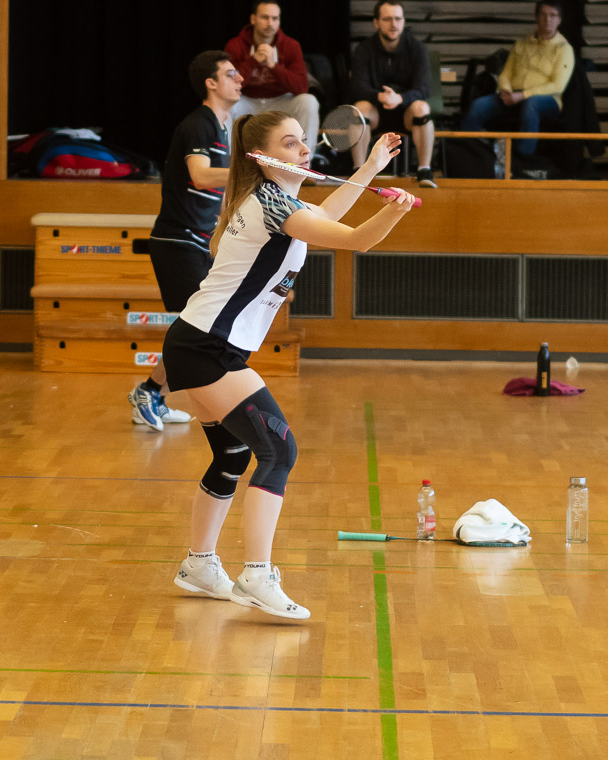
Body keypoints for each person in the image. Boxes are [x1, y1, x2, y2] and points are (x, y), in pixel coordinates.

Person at [165, 110, 414, 619]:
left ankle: (199, 564)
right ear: (262, 157)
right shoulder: (271, 204)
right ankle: (257, 574)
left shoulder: (276, 201)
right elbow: (355, 239)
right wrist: (396, 211)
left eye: (303, 141)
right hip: (207, 347)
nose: (304, 150)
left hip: (200, 342)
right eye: (290, 142)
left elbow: (326, 215)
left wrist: (370, 168)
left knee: (233, 455)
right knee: (278, 450)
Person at [129, 51, 242, 431]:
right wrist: (250, 171)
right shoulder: (199, 125)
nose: (240, 79)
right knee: (196, 327)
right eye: (230, 74)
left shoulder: (222, 128)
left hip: (199, 240)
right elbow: (201, 176)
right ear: (211, 83)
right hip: (177, 240)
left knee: (197, 326)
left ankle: (152, 394)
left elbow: (218, 193)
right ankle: (151, 392)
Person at [460, 0, 574, 160]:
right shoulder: (522, 43)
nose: (547, 19)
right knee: (478, 105)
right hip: (513, 96)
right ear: (536, 17)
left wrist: (523, 95)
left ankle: (522, 160)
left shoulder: (564, 49)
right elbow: (506, 73)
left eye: (553, 15)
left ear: (559, 20)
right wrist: (505, 90)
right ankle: (465, 156)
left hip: (546, 101)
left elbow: (557, 85)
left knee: (531, 104)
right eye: (543, 15)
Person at [349, 1, 437, 188]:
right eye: (387, 19)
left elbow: (424, 88)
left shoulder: (417, 48)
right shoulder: (364, 49)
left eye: (398, 19)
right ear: (376, 22)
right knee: (359, 108)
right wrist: (379, 96)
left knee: (422, 107)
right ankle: (358, 173)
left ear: (404, 21)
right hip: (376, 113)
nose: (394, 24)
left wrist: (400, 98)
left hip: (407, 115)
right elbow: (356, 87)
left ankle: (424, 170)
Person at [225, 2, 320, 150]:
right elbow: (228, 87)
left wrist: (273, 66)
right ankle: (227, 159)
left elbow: (302, 87)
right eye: (265, 17)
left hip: (280, 101)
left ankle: (306, 159)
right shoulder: (235, 45)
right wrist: (253, 61)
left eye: (275, 18)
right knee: (224, 101)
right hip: (247, 100)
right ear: (253, 19)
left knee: (309, 101)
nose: (270, 23)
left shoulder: (291, 45)